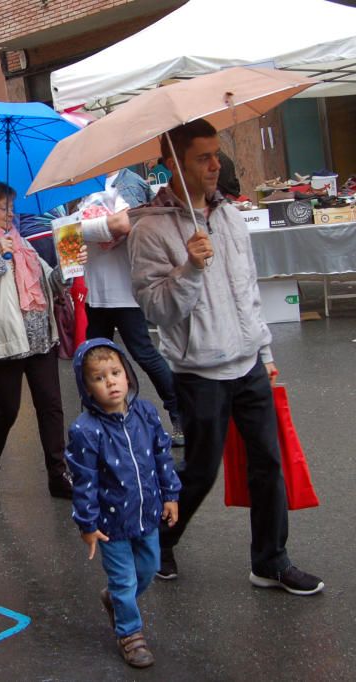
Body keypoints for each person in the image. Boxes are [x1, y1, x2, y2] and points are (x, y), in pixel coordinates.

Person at [128, 119, 323, 594]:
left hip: (248, 362)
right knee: (200, 470)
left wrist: (264, 349)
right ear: (172, 163)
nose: (216, 165)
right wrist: (191, 267)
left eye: (217, 154)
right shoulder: (150, 230)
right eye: (203, 157)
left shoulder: (230, 215)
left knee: (268, 464)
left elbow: (246, 291)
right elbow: (157, 308)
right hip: (199, 370)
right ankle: (160, 536)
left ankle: (270, 561)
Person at [0, 179, 77, 500]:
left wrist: (67, 267)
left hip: (39, 335)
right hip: (3, 341)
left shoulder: (21, 242)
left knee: (50, 406)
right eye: (3, 208)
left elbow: (46, 279)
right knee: (7, 409)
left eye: (11, 207)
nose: (10, 214)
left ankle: (58, 472)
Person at [66, 339, 181, 668]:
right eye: (99, 378)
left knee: (147, 569)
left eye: (115, 373)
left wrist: (170, 495)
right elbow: (84, 482)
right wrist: (87, 525)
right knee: (124, 580)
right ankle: (130, 634)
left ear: (128, 375)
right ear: (86, 387)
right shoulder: (86, 431)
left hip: (147, 513)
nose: (110, 382)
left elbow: (162, 457)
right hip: (110, 525)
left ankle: (116, 600)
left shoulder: (145, 413)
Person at [79, 170, 184, 446]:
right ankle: (98, 419)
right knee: (92, 357)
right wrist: (85, 230)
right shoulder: (85, 186)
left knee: (144, 353)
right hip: (96, 290)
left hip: (125, 290)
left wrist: (83, 228)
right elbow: (76, 230)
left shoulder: (129, 182)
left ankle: (180, 414)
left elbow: (126, 225)